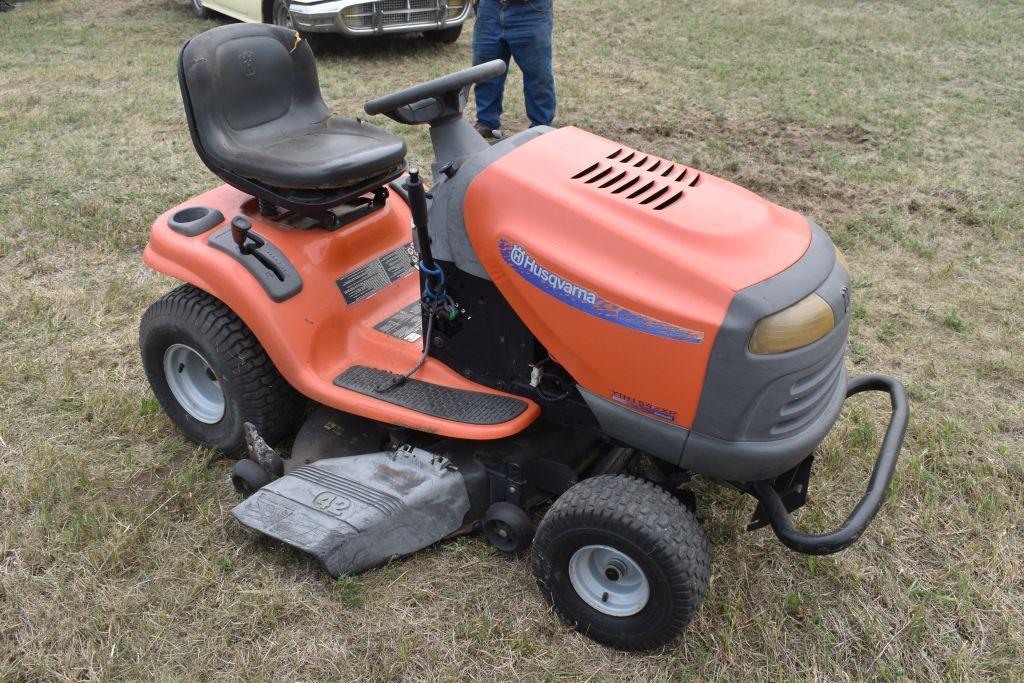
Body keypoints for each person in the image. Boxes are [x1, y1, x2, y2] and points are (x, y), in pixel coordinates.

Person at [471, 0, 556, 141]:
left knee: (538, 74)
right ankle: (486, 121)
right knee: (485, 71)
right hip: (489, 8)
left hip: (531, 9)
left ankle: (541, 126)